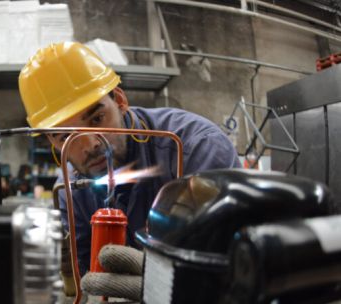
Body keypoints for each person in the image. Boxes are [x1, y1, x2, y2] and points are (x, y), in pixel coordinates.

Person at [18, 42, 241, 298]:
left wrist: (165, 284)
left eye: (97, 119)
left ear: (120, 101)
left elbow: (232, 269)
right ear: (51, 141)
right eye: (65, 136)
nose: (91, 144)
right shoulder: (70, 188)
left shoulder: (198, 147)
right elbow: (81, 280)